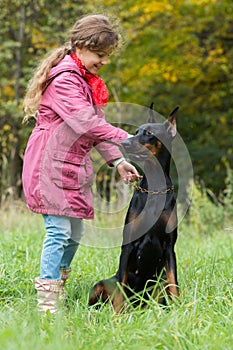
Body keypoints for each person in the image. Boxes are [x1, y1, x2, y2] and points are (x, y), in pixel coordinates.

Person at [22, 14, 140, 313]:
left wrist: (117, 160)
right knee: (59, 231)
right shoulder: (65, 80)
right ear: (81, 46)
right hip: (49, 164)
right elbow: (86, 122)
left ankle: (58, 288)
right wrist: (129, 137)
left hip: (70, 164)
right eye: (100, 55)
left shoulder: (83, 82)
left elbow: (94, 127)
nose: (104, 61)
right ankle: (47, 300)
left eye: (107, 56)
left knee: (75, 233)